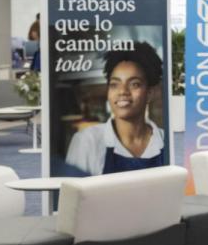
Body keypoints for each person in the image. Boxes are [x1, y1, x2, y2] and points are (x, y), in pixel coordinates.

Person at [65, 42, 167, 175]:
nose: (122, 91)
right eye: (114, 84)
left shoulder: (165, 140)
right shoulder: (87, 141)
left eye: (134, 84)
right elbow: (72, 195)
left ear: (149, 93)